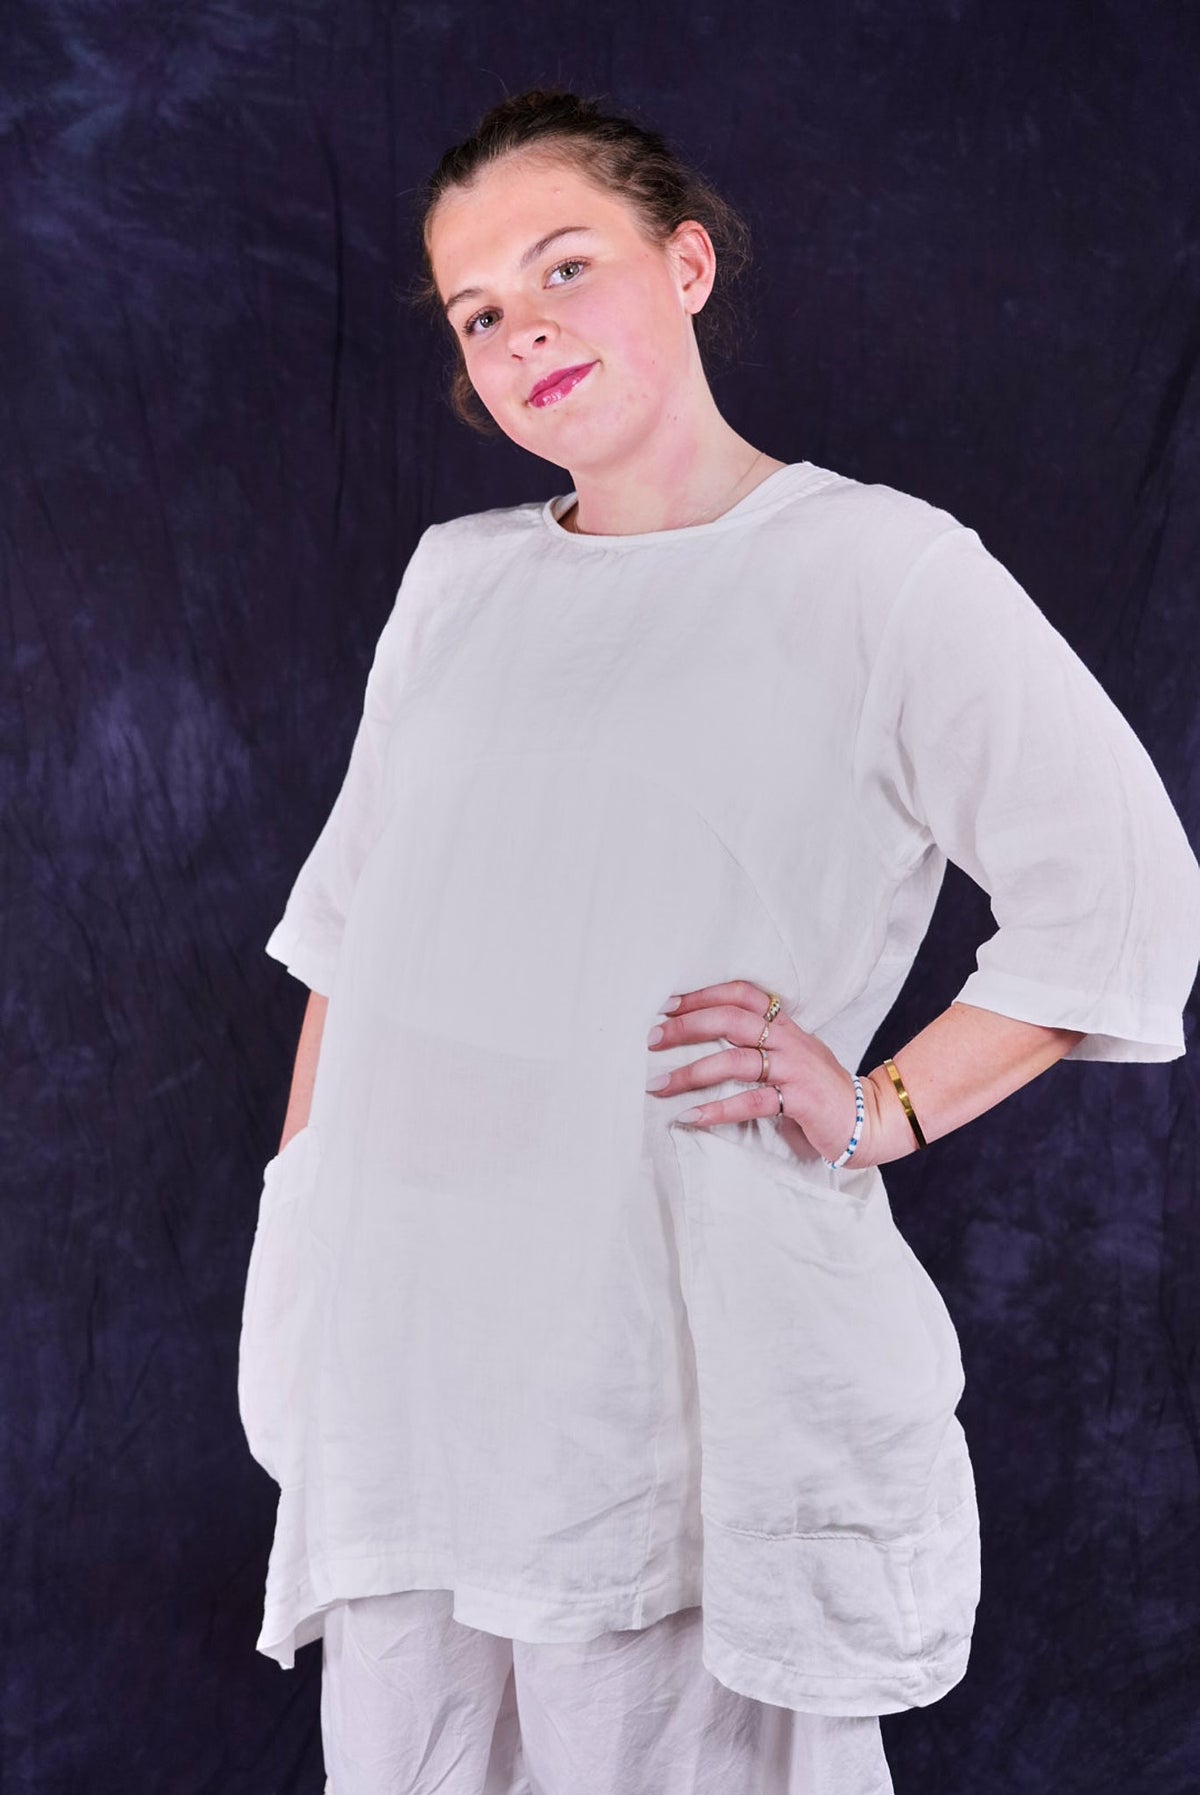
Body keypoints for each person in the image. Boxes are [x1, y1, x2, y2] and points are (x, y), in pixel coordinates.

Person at [236, 88, 1200, 1795]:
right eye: (480, 313)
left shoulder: (877, 572)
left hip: (657, 1359)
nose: (526, 333)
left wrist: (876, 1111)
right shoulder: (456, 584)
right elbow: (350, 944)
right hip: (411, 1354)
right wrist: (304, 1222)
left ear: (685, 264)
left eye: (565, 267)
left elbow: (1119, 890)